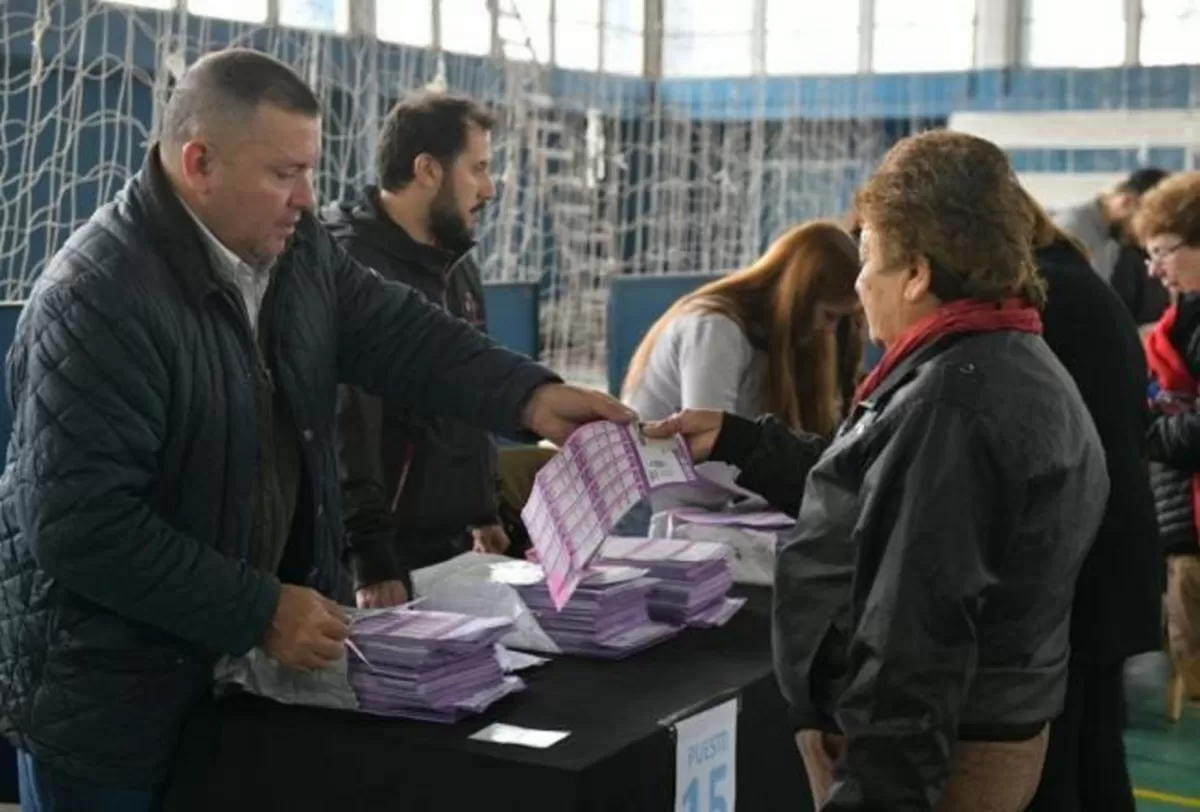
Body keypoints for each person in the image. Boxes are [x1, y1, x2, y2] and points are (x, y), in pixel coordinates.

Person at [0, 48, 631, 811]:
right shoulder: (97, 299)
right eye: (283, 174)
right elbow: (79, 525)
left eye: (310, 169)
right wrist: (259, 608)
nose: (307, 197)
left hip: (246, 683)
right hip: (114, 705)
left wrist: (530, 397)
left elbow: (402, 334)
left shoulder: (296, 253)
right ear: (199, 162)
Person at [647, 130, 1109, 810]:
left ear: (917, 272)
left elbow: (912, 647)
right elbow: (876, 492)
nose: (861, 285)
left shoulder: (954, 402)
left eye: (868, 259)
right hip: (975, 728)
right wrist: (745, 443)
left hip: (934, 755)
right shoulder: (997, 361)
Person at [321, 91, 509, 608]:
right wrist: (370, 556)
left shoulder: (457, 262)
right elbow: (345, 423)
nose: (489, 188)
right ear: (427, 169)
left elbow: (469, 394)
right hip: (373, 563)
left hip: (446, 546)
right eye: (478, 169)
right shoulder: (348, 266)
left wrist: (484, 509)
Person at [1017, 191, 1162, 812]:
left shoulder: (1045, 294)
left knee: (1065, 765)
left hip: (1081, 558)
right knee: (1097, 755)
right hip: (1114, 547)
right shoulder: (1075, 275)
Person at [618, 220, 861, 529]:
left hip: (698, 512)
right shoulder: (715, 328)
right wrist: (790, 487)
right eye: (829, 316)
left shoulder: (767, 342)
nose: (829, 331)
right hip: (645, 513)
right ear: (799, 297)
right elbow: (710, 450)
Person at [1133, 171, 1200, 702]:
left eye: (1164, 252)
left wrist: (1145, 433)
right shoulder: (1181, 323)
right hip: (1182, 529)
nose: (1154, 270)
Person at [1055, 167, 1171, 321]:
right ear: (1126, 202)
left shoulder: (1108, 235)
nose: (1141, 235)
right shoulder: (1074, 232)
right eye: (1142, 223)